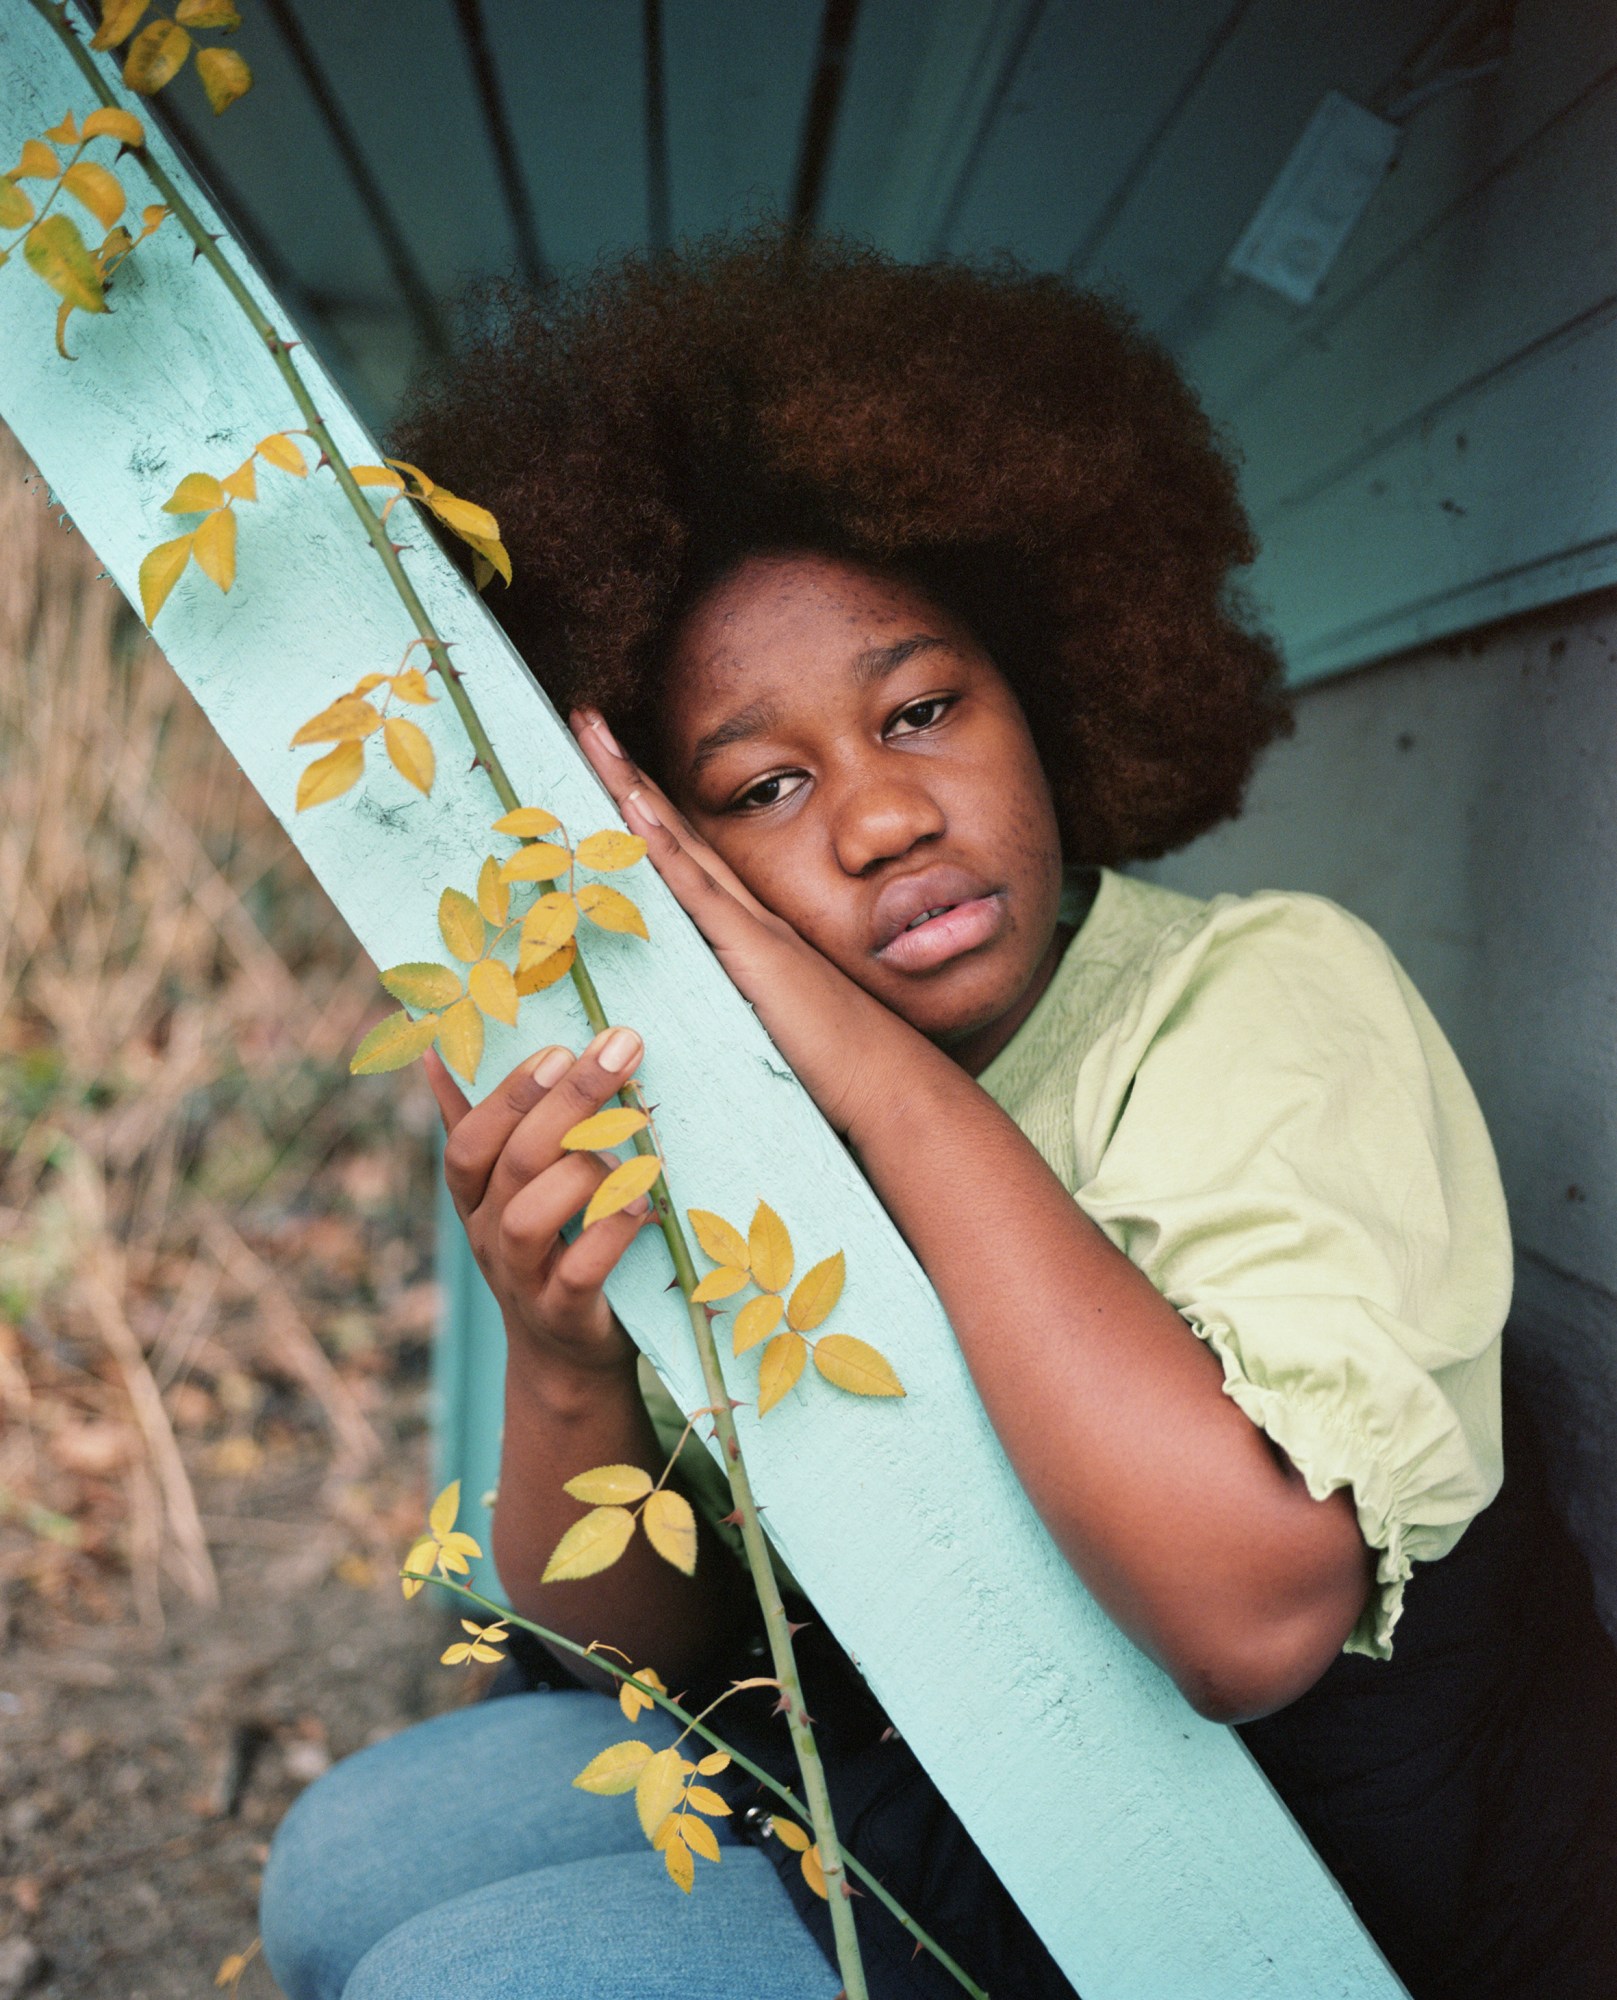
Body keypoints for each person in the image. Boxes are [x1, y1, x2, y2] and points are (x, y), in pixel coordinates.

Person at [259, 228, 1617, 2000]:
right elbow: (644, 1652)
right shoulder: (718, 1117)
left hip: (1308, 1881)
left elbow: (1250, 1618)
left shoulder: (1259, 997)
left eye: (921, 708)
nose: (884, 818)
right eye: (762, 785)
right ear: (654, 852)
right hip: (959, 1791)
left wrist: (859, 1058)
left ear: (1044, 692)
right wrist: (568, 1356)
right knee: (344, 1869)